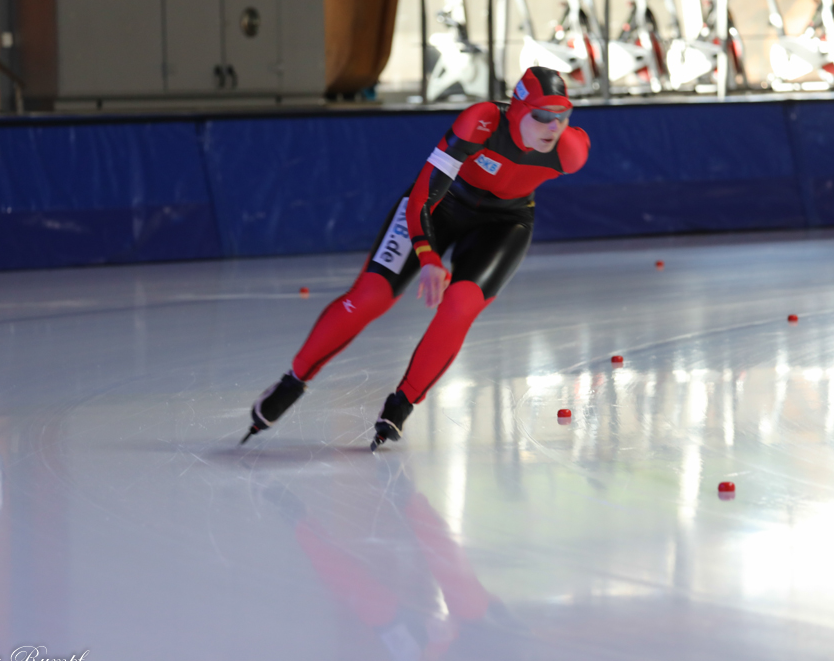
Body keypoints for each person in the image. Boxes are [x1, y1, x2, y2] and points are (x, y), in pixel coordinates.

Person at [241, 66, 590, 450]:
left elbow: (564, 138)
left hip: (505, 223)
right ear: (517, 110)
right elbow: (424, 194)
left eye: (562, 115)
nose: (553, 126)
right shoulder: (482, 122)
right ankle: (293, 381)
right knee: (371, 296)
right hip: (440, 205)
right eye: (541, 115)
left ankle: (402, 403)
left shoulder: (570, 152)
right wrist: (428, 256)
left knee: (460, 305)